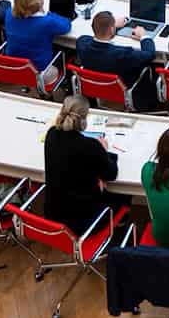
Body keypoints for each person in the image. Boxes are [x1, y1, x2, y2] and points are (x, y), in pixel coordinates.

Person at [43, 95, 127, 232]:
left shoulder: (51, 134)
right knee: (122, 194)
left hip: (53, 215)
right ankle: (119, 229)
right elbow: (112, 174)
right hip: (84, 222)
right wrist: (104, 151)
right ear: (84, 118)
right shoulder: (91, 146)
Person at [77, 10, 159, 112]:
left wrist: (108, 27)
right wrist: (144, 36)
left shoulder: (82, 44)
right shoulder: (122, 54)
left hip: (96, 88)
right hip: (124, 90)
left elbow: (88, 38)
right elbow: (150, 54)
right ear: (112, 29)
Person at [3, 0, 70, 73]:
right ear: (40, 2)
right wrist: (48, 13)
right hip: (39, 70)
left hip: (13, 64)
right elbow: (66, 26)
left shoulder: (8, 13)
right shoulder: (46, 22)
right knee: (68, 52)